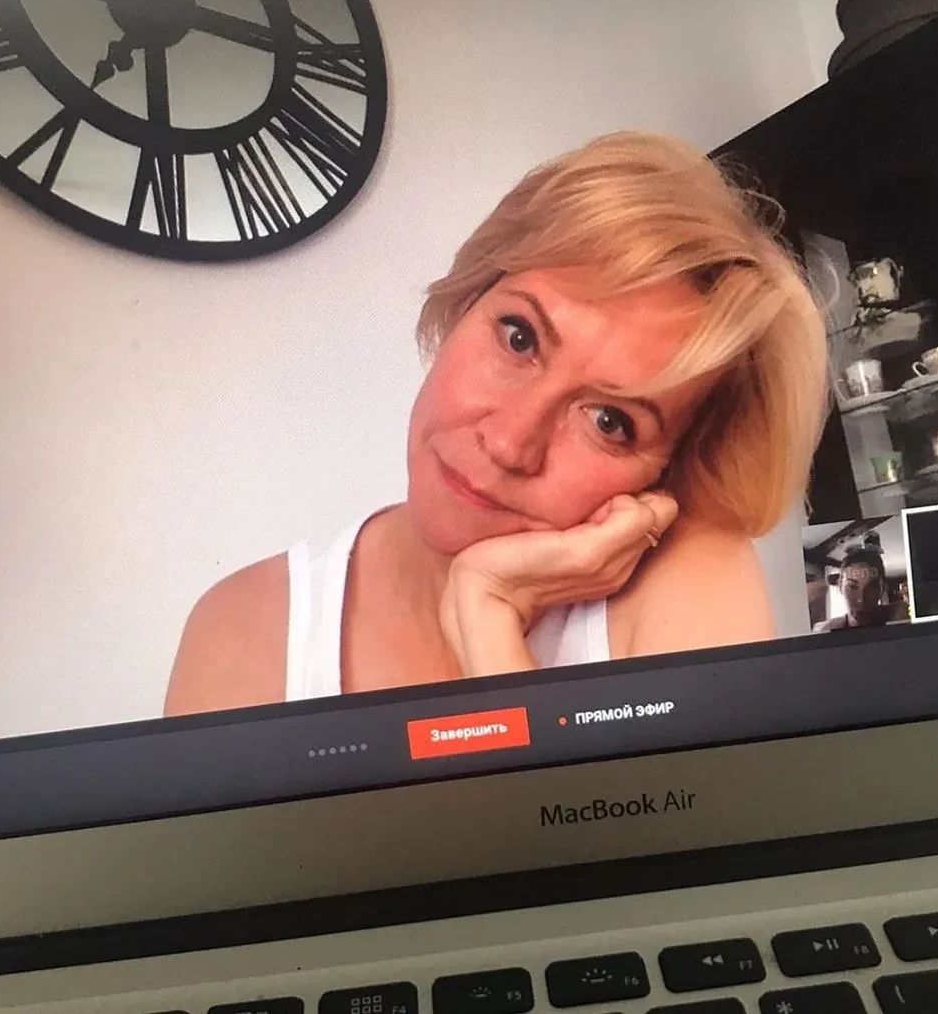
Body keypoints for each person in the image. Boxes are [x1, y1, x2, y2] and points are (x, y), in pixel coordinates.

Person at [165, 131, 828, 715]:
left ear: (668, 472)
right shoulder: (244, 629)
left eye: (609, 420)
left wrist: (487, 622)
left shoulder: (688, 582)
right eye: (519, 337)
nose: (511, 443)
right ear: (464, 302)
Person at [814, 540, 902, 632]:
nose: (861, 599)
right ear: (840, 587)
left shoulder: (897, 619)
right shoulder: (827, 631)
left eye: (871, 588)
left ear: (881, 589)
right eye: (852, 587)